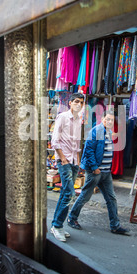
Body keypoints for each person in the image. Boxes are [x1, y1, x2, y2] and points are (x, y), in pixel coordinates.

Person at [67, 109, 130, 235]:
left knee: (111, 198)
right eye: (108, 119)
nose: (110, 121)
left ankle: (115, 225)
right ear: (103, 119)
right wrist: (95, 167)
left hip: (106, 172)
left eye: (112, 120)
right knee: (85, 196)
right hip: (95, 171)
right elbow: (89, 150)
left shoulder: (109, 131)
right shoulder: (96, 131)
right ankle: (72, 218)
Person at [50, 92, 85, 242]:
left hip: (73, 162)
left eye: (81, 103)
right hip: (63, 161)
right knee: (70, 193)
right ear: (70, 102)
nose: (79, 104)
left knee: (65, 193)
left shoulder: (79, 120)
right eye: (76, 101)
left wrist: (77, 161)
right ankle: (57, 226)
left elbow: (77, 143)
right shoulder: (62, 117)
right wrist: (63, 159)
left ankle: (56, 225)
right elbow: (54, 141)